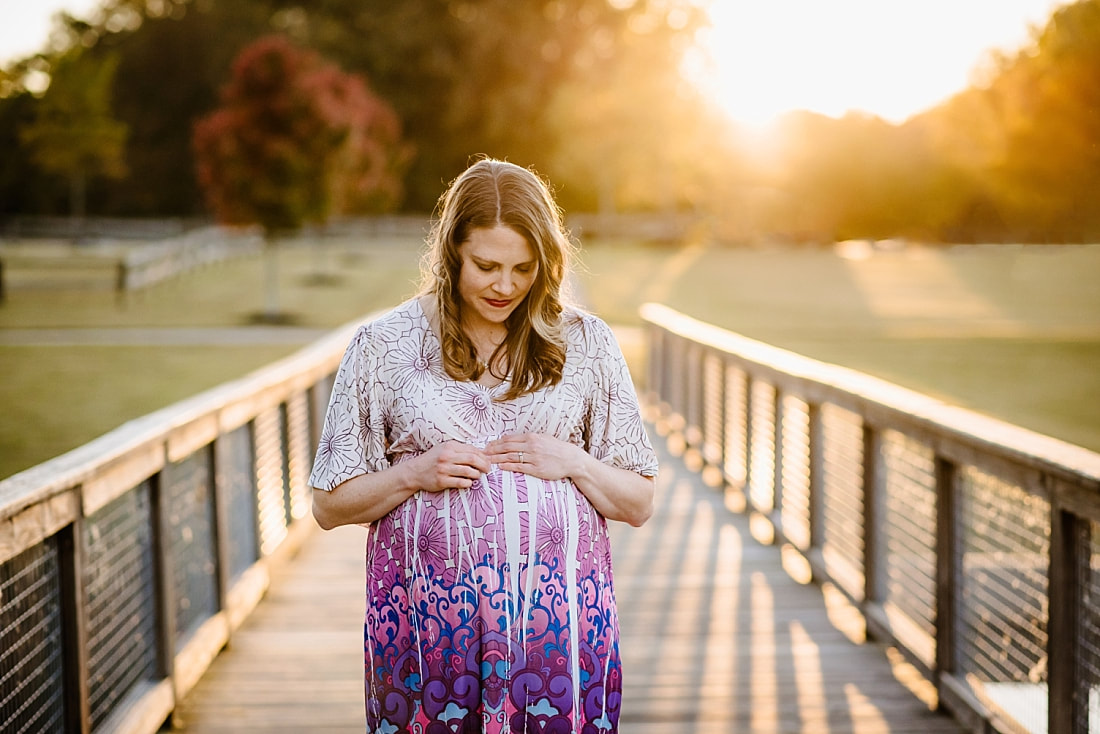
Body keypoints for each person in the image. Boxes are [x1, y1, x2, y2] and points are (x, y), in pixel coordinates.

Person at [309, 157, 658, 733]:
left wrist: (573, 461)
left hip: (557, 632)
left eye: (523, 269)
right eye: (486, 265)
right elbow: (328, 506)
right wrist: (413, 474)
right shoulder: (381, 345)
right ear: (451, 256)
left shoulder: (587, 342)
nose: (504, 286)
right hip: (428, 637)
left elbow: (639, 503)